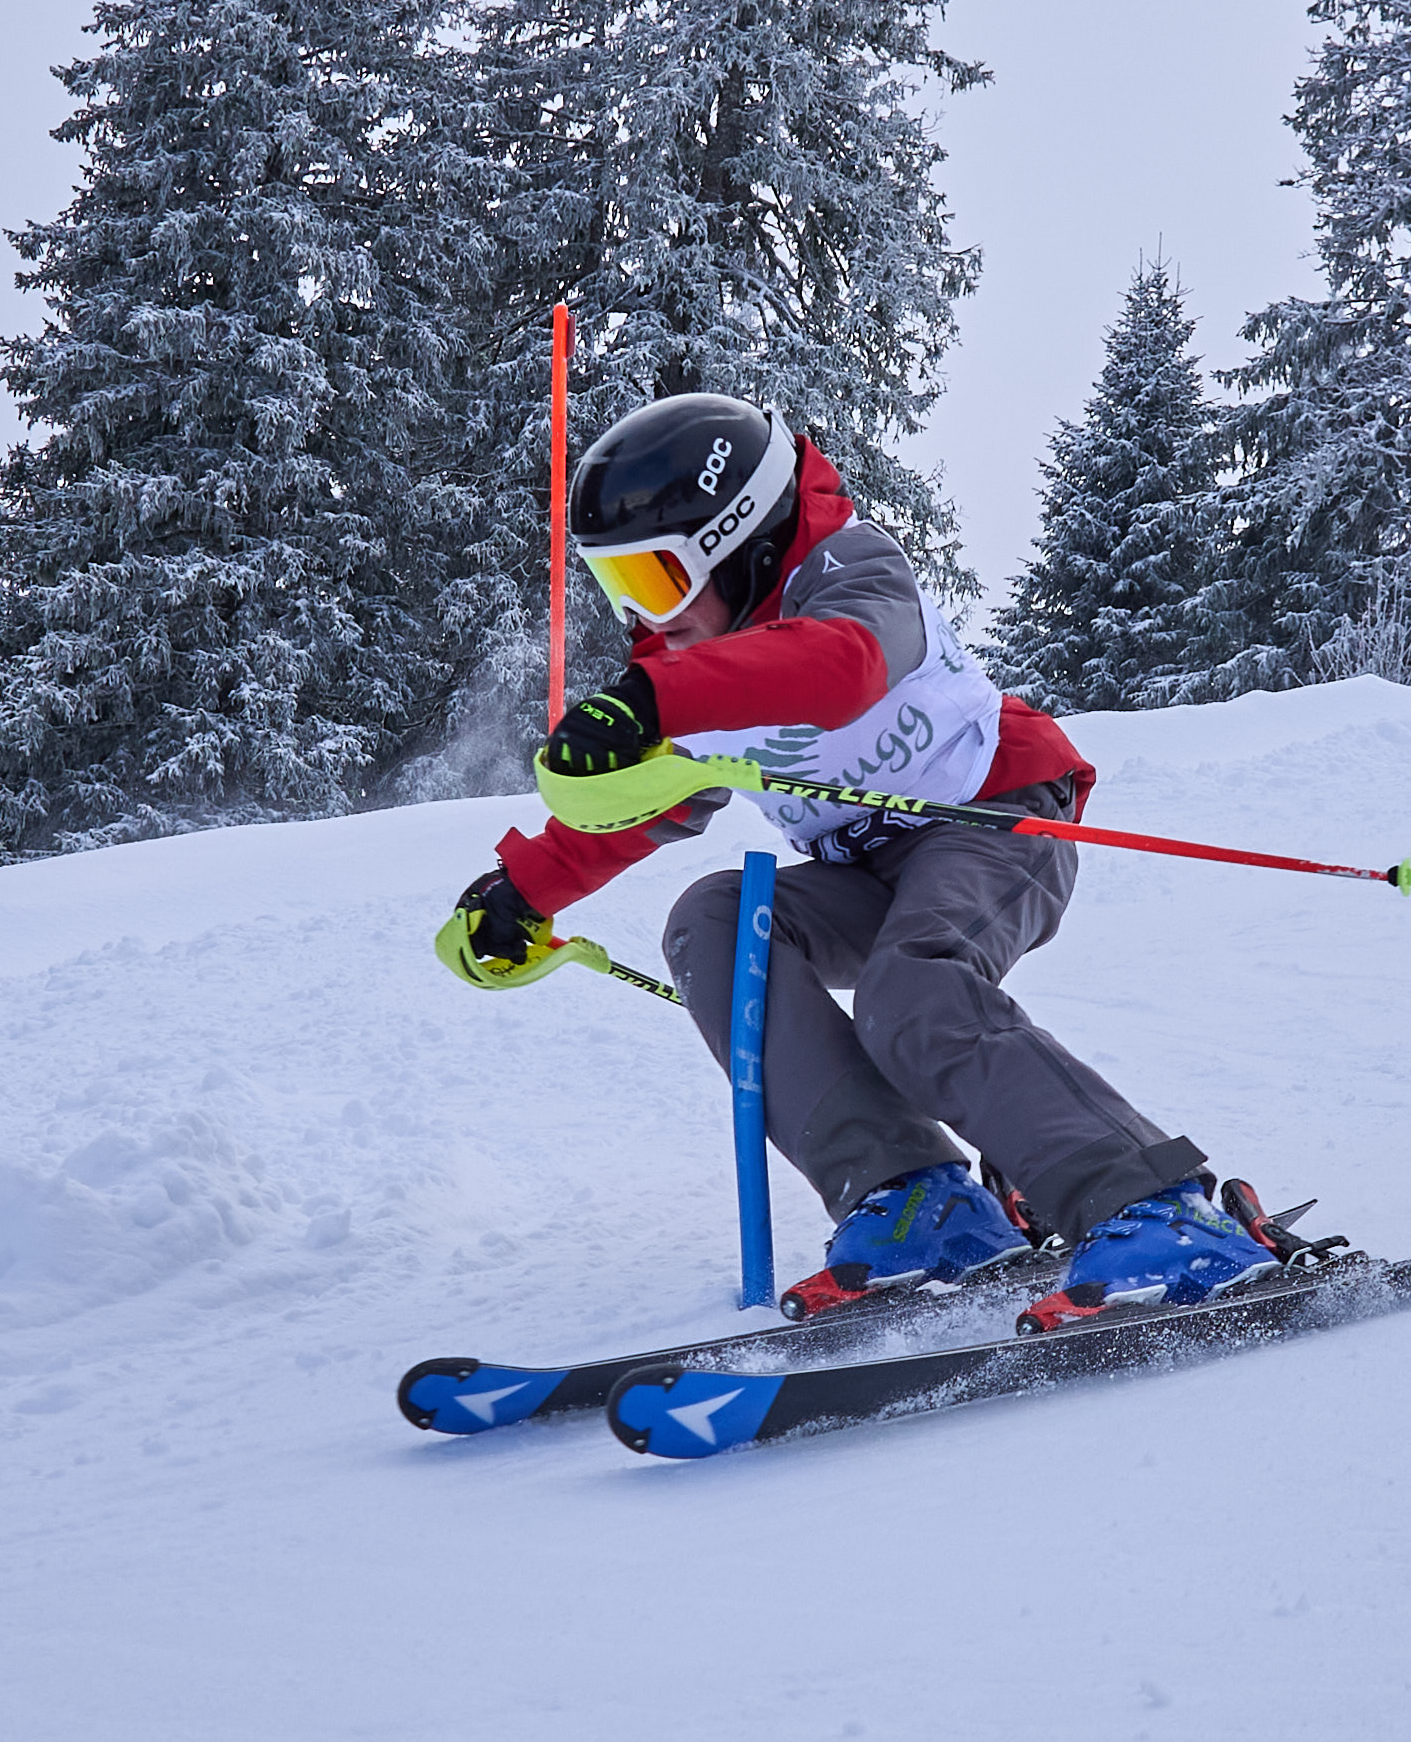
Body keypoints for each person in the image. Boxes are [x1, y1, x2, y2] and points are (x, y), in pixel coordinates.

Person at [435, 390, 1275, 1324]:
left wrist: (656, 699)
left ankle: (1154, 1206)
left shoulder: (849, 567)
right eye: (616, 585)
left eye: (657, 579)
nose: (642, 614)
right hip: (866, 872)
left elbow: (845, 666)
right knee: (717, 923)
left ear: (742, 541)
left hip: (998, 818)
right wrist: (522, 892)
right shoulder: (684, 662)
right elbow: (641, 810)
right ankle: (915, 1196)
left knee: (909, 989)